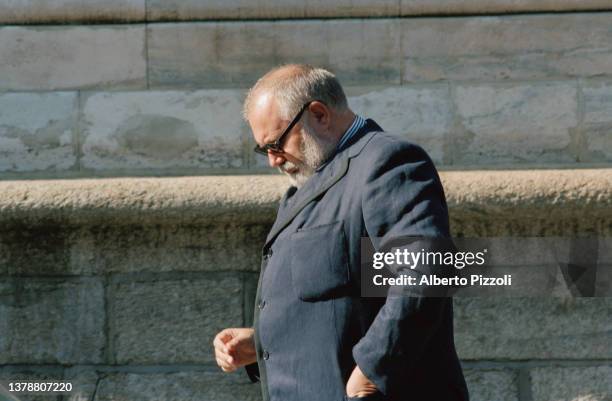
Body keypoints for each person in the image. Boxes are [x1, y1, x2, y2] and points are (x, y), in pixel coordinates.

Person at [213, 64, 469, 401]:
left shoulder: (388, 162)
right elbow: (332, 309)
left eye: (275, 144)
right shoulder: (307, 186)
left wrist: (373, 368)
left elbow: (426, 270)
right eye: (264, 150)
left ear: (318, 114)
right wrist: (262, 342)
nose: (273, 161)